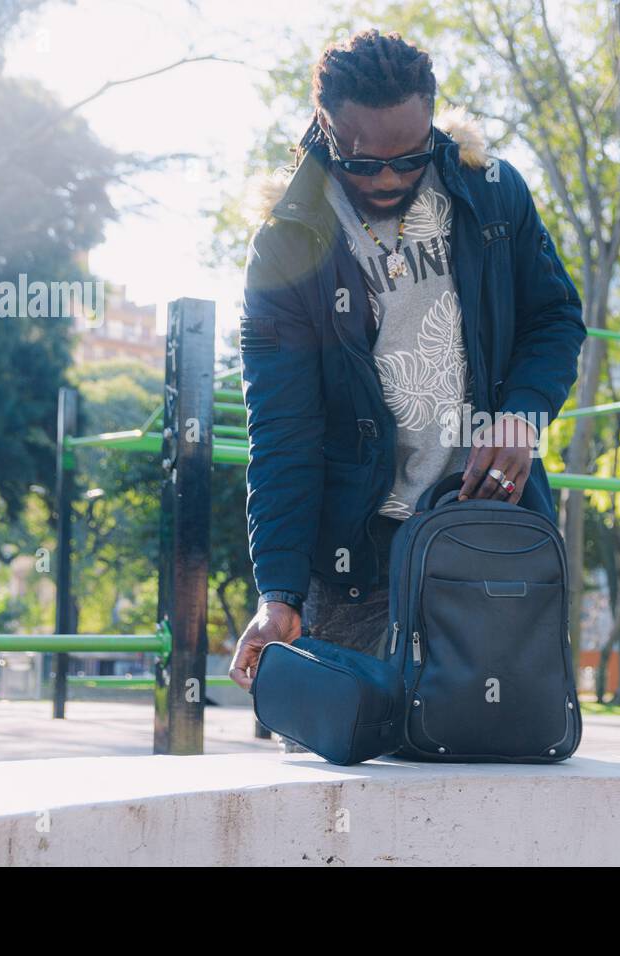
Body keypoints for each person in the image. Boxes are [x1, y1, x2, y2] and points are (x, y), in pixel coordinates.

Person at [227, 29, 585, 751]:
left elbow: (555, 320)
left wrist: (520, 418)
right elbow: (283, 437)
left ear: (432, 120)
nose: (390, 179)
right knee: (353, 783)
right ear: (326, 126)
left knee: (501, 752)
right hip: (353, 565)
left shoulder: (492, 195)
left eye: (411, 158)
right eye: (366, 163)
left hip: (485, 538)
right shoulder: (288, 247)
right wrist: (279, 595)